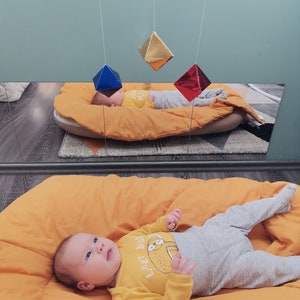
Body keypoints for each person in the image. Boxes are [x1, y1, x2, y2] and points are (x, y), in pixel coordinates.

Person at [53, 183, 298, 299]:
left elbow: (147, 230)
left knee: (236, 214)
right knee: (271, 269)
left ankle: (277, 203)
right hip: (223, 269)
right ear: (86, 285)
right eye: (88, 255)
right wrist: (179, 282)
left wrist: (165, 223)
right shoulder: (125, 292)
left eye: (95, 240)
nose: (99, 246)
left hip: (208, 233)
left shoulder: (125, 243)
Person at [92, 87, 228, 109]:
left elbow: (141, 92)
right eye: (112, 94)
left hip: (162, 94)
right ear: (113, 105)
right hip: (160, 102)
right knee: (186, 102)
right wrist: (149, 104)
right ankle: (212, 100)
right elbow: (140, 115)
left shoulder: (126, 94)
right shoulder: (125, 106)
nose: (116, 91)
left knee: (182, 92)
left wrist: (147, 86)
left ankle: (208, 93)